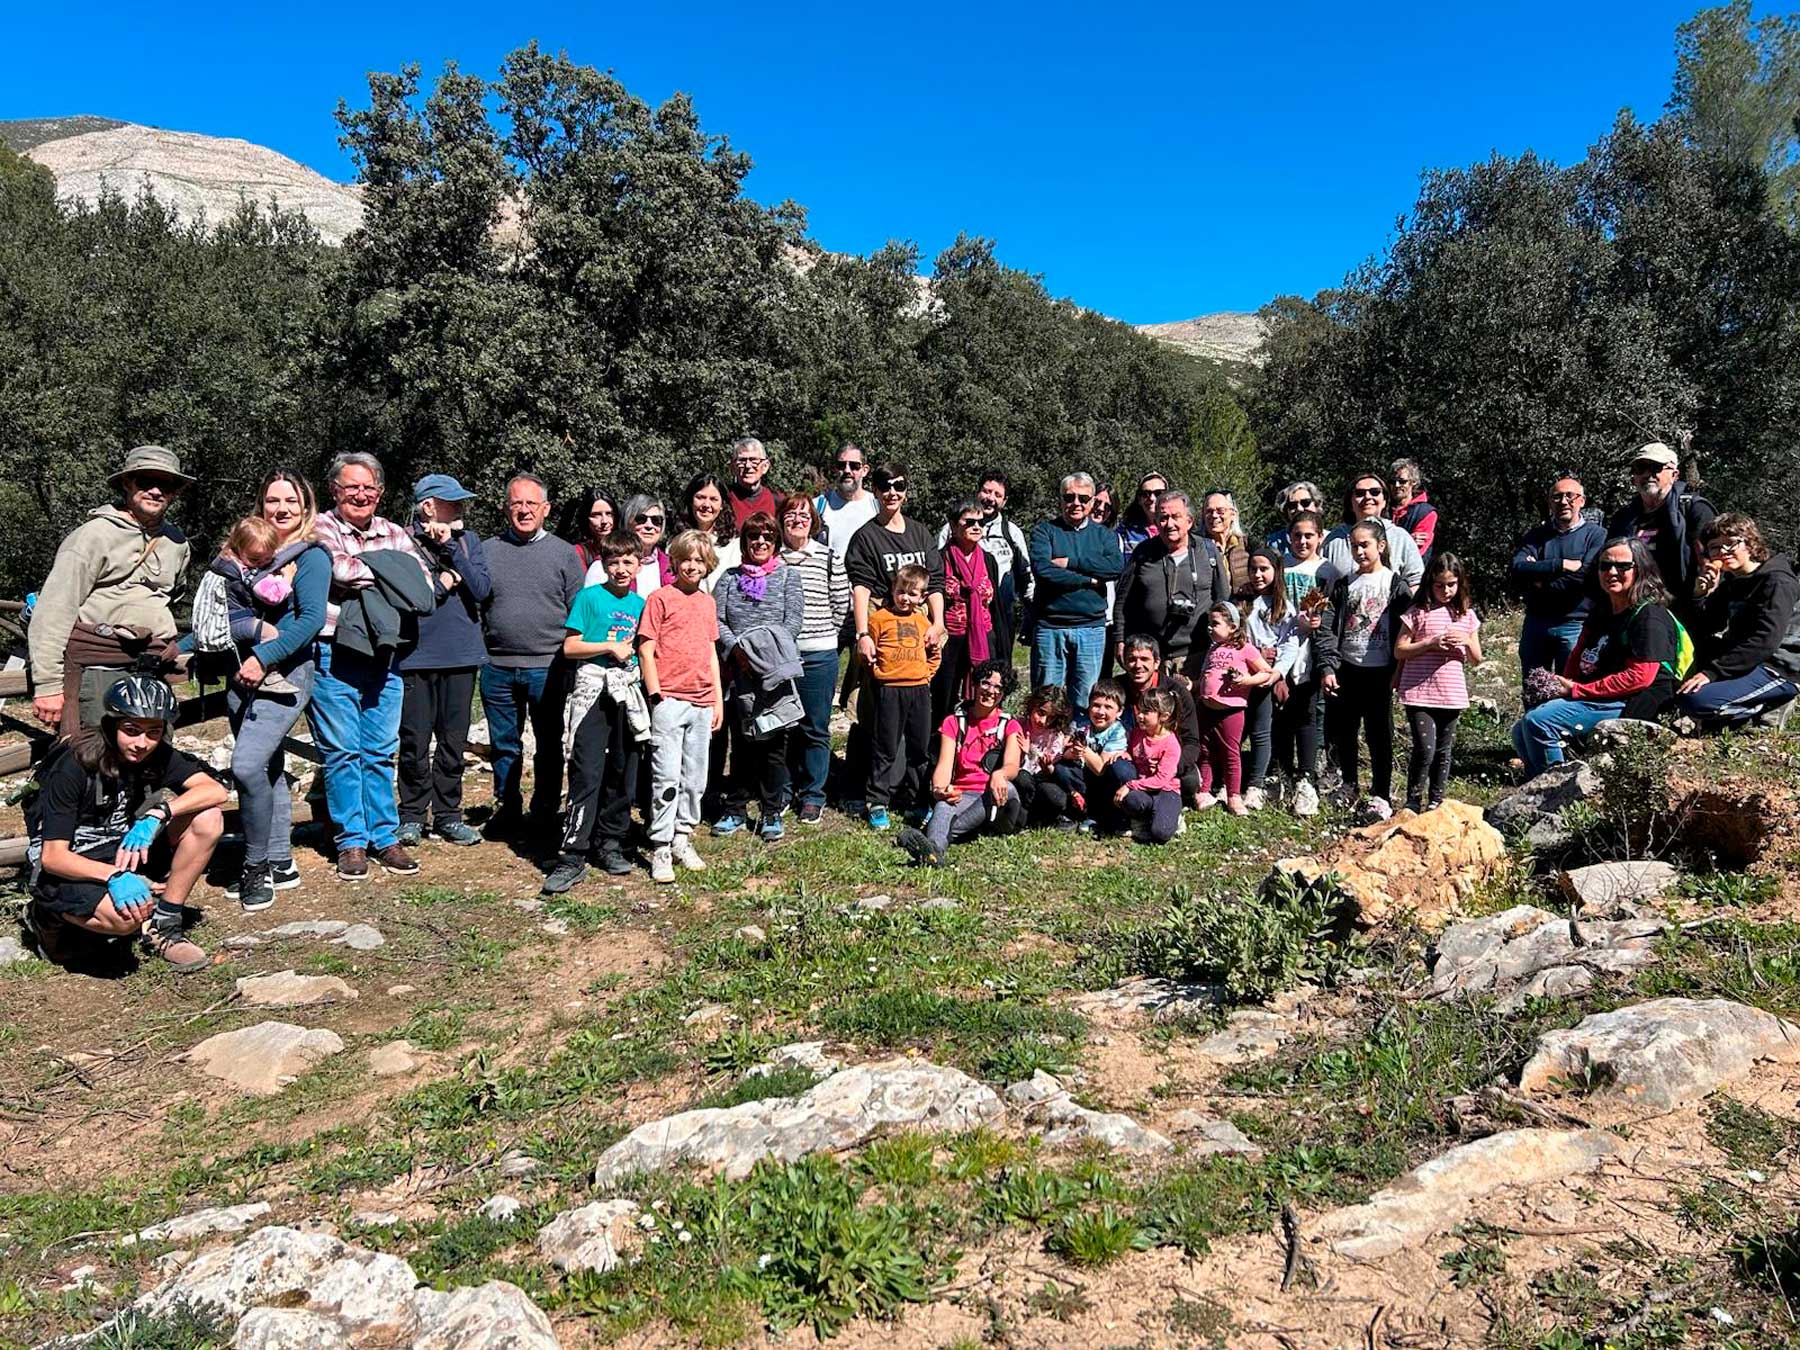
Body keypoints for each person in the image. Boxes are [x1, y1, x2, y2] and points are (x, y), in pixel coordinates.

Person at [25, 676, 227, 973]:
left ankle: (164, 924)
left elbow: (215, 791)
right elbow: (53, 857)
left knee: (208, 817)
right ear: (112, 725)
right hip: (68, 861)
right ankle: (46, 915)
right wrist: (115, 875)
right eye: (131, 731)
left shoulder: (156, 753)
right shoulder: (74, 764)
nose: (142, 743)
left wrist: (158, 814)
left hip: (120, 846)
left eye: (153, 732)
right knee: (125, 920)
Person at [311, 452, 433, 882]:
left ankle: (385, 836)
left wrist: (374, 572)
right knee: (342, 751)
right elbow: (337, 570)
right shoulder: (320, 526)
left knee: (380, 751)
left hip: (385, 652)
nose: (360, 495)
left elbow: (421, 585)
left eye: (369, 488)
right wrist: (388, 571)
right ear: (335, 491)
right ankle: (352, 841)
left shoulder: (395, 531)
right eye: (351, 487)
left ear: (380, 493)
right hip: (333, 651)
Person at [30, 444, 192, 737]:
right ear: (127, 484)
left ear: (174, 491)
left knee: (153, 753)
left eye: (165, 484)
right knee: (97, 751)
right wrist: (48, 685)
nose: (156, 491)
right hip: (100, 666)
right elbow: (54, 611)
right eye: (145, 481)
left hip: (152, 667)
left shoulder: (177, 542)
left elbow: (172, 595)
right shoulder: (92, 536)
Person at [224, 469, 328, 911]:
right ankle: (282, 861)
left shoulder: (311, 558)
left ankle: (255, 866)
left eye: (291, 501)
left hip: (284, 675)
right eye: (272, 501)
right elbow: (222, 609)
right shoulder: (254, 554)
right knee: (268, 767)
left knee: (245, 766)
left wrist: (264, 657)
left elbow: (310, 621)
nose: (281, 509)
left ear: (306, 508)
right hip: (238, 674)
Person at [1511, 538, 1680, 776]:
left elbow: (1640, 677)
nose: (1612, 572)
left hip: (1633, 700)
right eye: (1605, 565)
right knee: (1521, 729)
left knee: (1539, 722)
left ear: (1640, 569)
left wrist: (1577, 691)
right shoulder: (1602, 610)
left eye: (1623, 566)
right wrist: (1563, 687)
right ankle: (1535, 785)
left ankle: (1558, 793)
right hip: (1599, 695)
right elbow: (1578, 656)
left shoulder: (1649, 617)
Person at [479, 474, 585, 843]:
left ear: (546, 510)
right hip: (497, 666)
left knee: (549, 742)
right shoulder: (486, 550)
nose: (523, 510)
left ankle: (543, 812)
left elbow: (578, 611)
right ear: (506, 508)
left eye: (531, 504)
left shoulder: (564, 554)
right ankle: (507, 809)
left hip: (549, 666)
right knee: (504, 744)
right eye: (516, 504)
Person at [542, 533, 649, 893]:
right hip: (592, 691)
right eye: (613, 562)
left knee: (623, 768)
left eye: (627, 562)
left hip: (627, 691)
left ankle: (611, 842)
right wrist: (608, 646)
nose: (621, 569)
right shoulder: (589, 598)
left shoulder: (641, 604)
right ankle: (572, 853)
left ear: (639, 564)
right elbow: (570, 646)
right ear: (603, 565)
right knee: (587, 770)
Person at [397, 473, 492, 849]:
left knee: (453, 741)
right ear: (429, 507)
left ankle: (449, 815)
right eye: (453, 502)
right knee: (414, 741)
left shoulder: (468, 542)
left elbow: (483, 589)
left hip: (462, 655)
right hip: (415, 656)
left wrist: (452, 552)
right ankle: (412, 816)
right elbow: (408, 597)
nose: (462, 508)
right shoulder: (401, 543)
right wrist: (443, 583)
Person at [844, 464, 945, 810]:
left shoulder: (919, 533)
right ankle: (867, 791)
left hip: (918, 635)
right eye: (884, 485)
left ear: (906, 490)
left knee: (917, 728)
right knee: (871, 715)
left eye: (898, 485)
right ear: (874, 489)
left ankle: (911, 792)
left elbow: (934, 584)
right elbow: (860, 588)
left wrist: (938, 623)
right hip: (881, 630)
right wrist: (862, 633)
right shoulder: (866, 537)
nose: (892, 492)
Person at [640, 530, 725, 884]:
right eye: (686, 559)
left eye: (699, 560)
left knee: (695, 775)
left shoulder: (707, 603)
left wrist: (717, 697)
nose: (692, 566)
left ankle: (682, 837)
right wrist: (656, 692)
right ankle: (660, 843)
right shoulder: (660, 599)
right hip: (670, 699)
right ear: (674, 561)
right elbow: (646, 647)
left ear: (708, 566)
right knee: (666, 774)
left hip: (702, 700)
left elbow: (710, 651)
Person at [714, 512, 805, 841]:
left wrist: (766, 653)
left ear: (776, 541)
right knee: (741, 744)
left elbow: (792, 620)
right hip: (740, 671)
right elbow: (719, 620)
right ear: (745, 542)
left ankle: (770, 811)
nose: (760, 542)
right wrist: (737, 650)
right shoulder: (728, 578)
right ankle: (735, 808)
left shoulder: (787, 577)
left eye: (767, 536)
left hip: (775, 670)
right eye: (754, 537)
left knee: (774, 745)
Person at [1323, 519, 1413, 820]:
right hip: (1348, 668)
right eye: (1354, 546)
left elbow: (1407, 629)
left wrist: (1400, 669)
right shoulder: (1344, 586)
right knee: (1345, 732)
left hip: (1380, 671)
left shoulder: (1395, 585)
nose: (1359, 551)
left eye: (1365, 545)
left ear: (1381, 546)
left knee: (1379, 734)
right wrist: (1329, 666)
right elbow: (1327, 628)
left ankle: (1381, 792)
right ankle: (1349, 784)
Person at [896, 659, 1023, 866]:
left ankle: (941, 836)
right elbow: (944, 766)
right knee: (944, 806)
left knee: (1006, 787)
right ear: (975, 684)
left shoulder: (1010, 724)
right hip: (964, 793)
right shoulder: (953, 722)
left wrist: (999, 774)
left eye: (998, 687)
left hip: (997, 797)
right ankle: (933, 852)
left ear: (1004, 694)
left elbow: (1012, 765)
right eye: (986, 683)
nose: (990, 691)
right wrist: (941, 790)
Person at [1677, 514, 1800, 726]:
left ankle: (1767, 706)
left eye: (1731, 543)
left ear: (1750, 543)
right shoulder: (1733, 582)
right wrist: (1699, 595)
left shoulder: (1777, 581)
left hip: (1778, 666)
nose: (1723, 552)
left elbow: (1766, 641)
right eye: (1715, 547)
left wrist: (1711, 673)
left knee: (1694, 701)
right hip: (1745, 658)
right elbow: (1705, 626)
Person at [778, 493, 850, 824]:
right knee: (782, 725)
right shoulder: (772, 560)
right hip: (781, 655)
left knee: (815, 727)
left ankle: (813, 794)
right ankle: (781, 789)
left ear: (813, 520)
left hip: (820, 654)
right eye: (790, 514)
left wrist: (823, 636)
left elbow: (840, 605)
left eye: (804, 514)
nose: (797, 519)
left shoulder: (828, 557)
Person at [1394, 553, 1482, 813]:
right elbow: (1400, 650)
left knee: (1444, 750)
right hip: (1418, 692)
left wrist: (1465, 640)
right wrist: (1430, 643)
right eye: (1440, 585)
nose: (1446, 590)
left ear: (1460, 583)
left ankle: (1436, 800)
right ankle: (1413, 798)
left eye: (1452, 584)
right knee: (1425, 747)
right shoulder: (1417, 612)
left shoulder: (1466, 615)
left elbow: (1477, 658)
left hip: (1451, 693)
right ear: (1430, 583)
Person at [1113, 489, 1228, 681]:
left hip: (1199, 654)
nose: (1170, 524)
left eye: (1176, 517)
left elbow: (1223, 600)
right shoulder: (1143, 552)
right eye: (1163, 518)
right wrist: (1119, 640)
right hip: (1153, 657)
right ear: (1156, 522)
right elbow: (1123, 602)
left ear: (1189, 521)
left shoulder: (1207, 551)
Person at [1029, 472, 1123, 708]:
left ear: (1092, 502)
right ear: (1060, 500)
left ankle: (1077, 744)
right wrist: (1090, 580)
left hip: (1090, 628)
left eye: (1083, 498)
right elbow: (1043, 571)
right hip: (1051, 627)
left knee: (1084, 700)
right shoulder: (1044, 532)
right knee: (1046, 700)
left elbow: (1115, 567)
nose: (1076, 504)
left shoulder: (1105, 536)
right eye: (1069, 497)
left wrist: (1071, 562)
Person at [865, 562, 942, 830]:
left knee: (918, 749)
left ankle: (917, 801)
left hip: (919, 690)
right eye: (901, 591)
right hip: (889, 690)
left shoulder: (923, 623)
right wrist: (880, 672)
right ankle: (877, 802)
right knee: (885, 748)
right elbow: (868, 654)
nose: (905, 598)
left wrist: (925, 675)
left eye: (912, 594)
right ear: (893, 590)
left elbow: (934, 654)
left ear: (922, 598)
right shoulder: (878, 620)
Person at [1510, 476, 1606, 681]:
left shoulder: (1597, 535)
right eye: (1557, 496)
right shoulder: (1536, 536)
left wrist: (1538, 580)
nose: (1563, 501)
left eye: (1570, 496)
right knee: (1534, 686)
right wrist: (1561, 564)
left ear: (1582, 500)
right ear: (1549, 502)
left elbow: (1584, 577)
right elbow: (1518, 567)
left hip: (1575, 624)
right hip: (1537, 622)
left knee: (1572, 686)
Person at [934, 469, 1032, 663]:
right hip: (956, 618)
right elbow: (936, 566)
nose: (990, 498)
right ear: (978, 492)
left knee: (996, 669)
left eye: (997, 495)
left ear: (1004, 501)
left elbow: (1026, 575)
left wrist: (1031, 613)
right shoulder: (951, 529)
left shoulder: (1012, 532)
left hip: (999, 615)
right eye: (987, 492)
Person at [1607, 441, 1715, 609]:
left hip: (1684, 610)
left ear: (1675, 474)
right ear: (1634, 477)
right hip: (1634, 608)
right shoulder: (1623, 518)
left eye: (1656, 468)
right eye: (1641, 468)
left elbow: (1712, 564)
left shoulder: (1695, 510)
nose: (1648, 474)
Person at [1271, 542, 1335, 819]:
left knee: (1307, 713)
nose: (1303, 541)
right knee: (1281, 713)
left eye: (1309, 535)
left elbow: (1332, 612)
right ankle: (1282, 774)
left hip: (1313, 650)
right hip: (1283, 646)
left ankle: (1306, 777)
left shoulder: (1328, 570)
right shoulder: (1281, 566)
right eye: (1297, 535)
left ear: (1319, 537)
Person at [1193, 604, 1275, 814]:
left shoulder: (1245, 648)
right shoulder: (1212, 649)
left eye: (1215, 624)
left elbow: (1266, 672)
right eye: (1209, 624)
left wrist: (1248, 680)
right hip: (1206, 707)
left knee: (1231, 752)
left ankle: (1234, 796)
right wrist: (1192, 686)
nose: (1210, 628)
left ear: (1232, 627)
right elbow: (1205, 675)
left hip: (1231, 710)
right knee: (1205, 750)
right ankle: (1203, 791)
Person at [1240, 548, 1302, 810]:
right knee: (1236, 729)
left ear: (1276, 572)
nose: (1257, 575)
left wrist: (1278, 673)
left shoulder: (1283, 607)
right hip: (1241, 676)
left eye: (1264, 569)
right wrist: (1255, 653)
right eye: (1253, 569)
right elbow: (1233, 636)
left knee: (1261, 731)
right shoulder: (1242, 601)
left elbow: (1290, 643)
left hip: (1266, 677)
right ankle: (1228, 782)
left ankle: (1255, 785)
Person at [933, 500, 1004, 723]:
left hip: (983, 635)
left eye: (980, 522)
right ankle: (940, 744)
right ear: (954, 526)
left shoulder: (988, 561)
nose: (976, 527)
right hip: (950, 637)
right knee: (944, 695)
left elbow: (995, 604)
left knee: (984, 691)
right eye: (969, 522)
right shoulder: (939, 559)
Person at [1119, 633, 1204, 803]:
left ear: (1157, 662)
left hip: (1167, 759)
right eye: (1132, 659)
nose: (1138, 665)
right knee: (1119, 772)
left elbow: (1192, 742)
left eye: (1144, 659)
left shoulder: (1177, 692)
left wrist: (1171, 766)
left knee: (1189, 782)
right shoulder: (1116, 689)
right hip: (1131, 758)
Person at [1105, 686, 1186, 842]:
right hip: (1144, 789)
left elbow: (1161, 780)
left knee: (1160, 834)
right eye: (1139, 711)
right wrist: (1126, 754)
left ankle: (1174, 817)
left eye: (1146, 712)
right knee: (1130, 800)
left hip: (1165, 791)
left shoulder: (1171, 744)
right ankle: (1142, 818)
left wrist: (1129, 785)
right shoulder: (1138, 733)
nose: (1140, 716)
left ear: (1163, 716)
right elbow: (1132, 751)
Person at [1323, 471, 1425, 590]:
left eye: (1375, 492)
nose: (1368, 497)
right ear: (1350, 502)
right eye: (1360, 493)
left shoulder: (1401, 537)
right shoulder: (1334, 539)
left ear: (1385, 501)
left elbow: (1416, 582)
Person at [1067, 679, 1131, 832]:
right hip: (1085, 775)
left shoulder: (1118, 731)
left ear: (1119, 711)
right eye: (1096, 705)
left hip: (1106, 778)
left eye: (1108, 707)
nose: (1101, 712)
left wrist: (1083, 750)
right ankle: (1081, 810)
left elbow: (1100, 768)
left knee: (1119, 770)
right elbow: (1065, 752)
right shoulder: (1080, 724)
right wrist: (1071, 752)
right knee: (1063, 769)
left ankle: (1114, 814)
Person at [1013, 684, 1079, 827]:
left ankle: (1041, 816)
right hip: (1021, 779)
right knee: (1022, 778)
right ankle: (1027, 816)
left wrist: (1047, 766)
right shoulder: (1018, 725)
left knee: (1055, 796)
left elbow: (1051, 774)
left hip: (1041, 780)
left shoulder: (1055, 735)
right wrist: (1022, 753)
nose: (1043, 721)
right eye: (1041, 713)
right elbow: (1012, 765)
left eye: (1051, 718)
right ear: (1032, 706)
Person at [815, 443, 877, 563]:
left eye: (854, 466)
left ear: (865, 471)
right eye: (841, 465)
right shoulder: (818, 506)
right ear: (835, 469)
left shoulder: (877, 507)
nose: (847, 470)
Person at [680, 472, 740, 589]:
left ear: (722, 505)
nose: (706, 504)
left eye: (713, 499)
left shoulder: (733, 546)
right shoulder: (676, 542)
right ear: (691, 500)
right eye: (700, 497)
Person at [609, 493, 670, 596]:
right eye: (641, 519)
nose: (649, 526)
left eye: (656, 520)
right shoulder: (607, 564)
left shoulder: (671, 566)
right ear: (627, 522)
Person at [1199, 490, 1253, 598]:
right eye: (1209, 511)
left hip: (1243, 611)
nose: (1214, 515)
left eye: (1220, 511)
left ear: (1233, 514)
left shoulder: (1248, 545)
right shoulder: (1196, 547)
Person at [1389, 458, 1439, 570]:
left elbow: (1415, 554)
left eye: (1402, 481)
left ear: (1413, 482)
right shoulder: (1382, 509)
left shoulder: (1426, 513)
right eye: (1392, 481)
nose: (1396, 485)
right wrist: (1408, 540)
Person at [559, 487, 620, 573]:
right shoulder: (580, 552)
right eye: (596, 515)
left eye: (609, 514)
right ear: (585, 519)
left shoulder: (628, 547)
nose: (604, 521)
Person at [727, 436, 780, 529]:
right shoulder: (724, 498)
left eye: (754, 460)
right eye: (742, 460)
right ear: (733, 467)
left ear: (765, 466)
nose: (748, 466)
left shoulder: (777, 500)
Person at [1116, 470, 1169, 563]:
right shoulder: (1125, 530)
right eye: (1146, 494)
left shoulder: (1175, 530)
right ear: (1139, 500)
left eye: (1158, 493)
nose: (1152, 498)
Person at [1266, 481, 1325, 555]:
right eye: (1292, 505)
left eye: (1305, 503)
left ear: (1316, 504)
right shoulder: (1274, 542)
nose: (1299, 508)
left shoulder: (1331, 540)